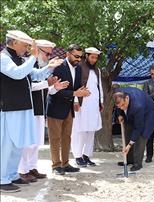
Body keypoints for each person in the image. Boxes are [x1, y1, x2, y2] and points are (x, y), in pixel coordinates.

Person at [0, 30, 62, 192]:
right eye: (25, 44)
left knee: (17, 144)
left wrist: (49, 67)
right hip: (8, 108)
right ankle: (2, 179)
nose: (28, 48)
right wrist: (34, 57)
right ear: (14, 43)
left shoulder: (20, 59)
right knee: (7, 145)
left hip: (22, 107)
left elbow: (35, 75)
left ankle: (12, 175)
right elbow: (17, 74)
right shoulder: (3, 58)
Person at [18, 40, 68, 182]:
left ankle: (32, 167)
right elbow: (29, 87)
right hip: (28, 109)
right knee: (27, 142)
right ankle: (22, 170)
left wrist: (56, 87)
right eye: (47, 53)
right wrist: (47, 83)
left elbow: (48, 90)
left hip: (40, 110)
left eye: (50, 54)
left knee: (36, 142)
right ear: (37, 50)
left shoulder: (44, 67)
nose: (49, 56)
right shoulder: (26, 64)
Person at [47, 44, 90, 175]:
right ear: (67, 54)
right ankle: (56, 166)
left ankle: (65, 164)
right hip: (55, 108)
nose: (79, 59)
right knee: (55, 138)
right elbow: (54, 90)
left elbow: (75, 88)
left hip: (69, 109)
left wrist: (80, 94)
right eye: (76, 56)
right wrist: (75, 94)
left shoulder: (78, 69)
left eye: (80, 57)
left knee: (67, 137)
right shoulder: (57, 67)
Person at [71, 47, 104, 167]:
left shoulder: (97, 70)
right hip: (82, 103)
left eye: (96, 57)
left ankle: (86, 155)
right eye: (92, 57)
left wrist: (101, 101)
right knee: (80, 130)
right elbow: (75, 85)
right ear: (86, 56)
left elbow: (99, 87)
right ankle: (78, 156)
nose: (94, 60)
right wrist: (75, 100)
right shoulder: (78, 67)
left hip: (94, 104)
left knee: (91, 130)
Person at [113, 87, 154, 171]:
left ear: (126, 98)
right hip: (132, 113)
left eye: (123, 105)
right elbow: (118, 107)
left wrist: (130, 144)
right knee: (128, 133)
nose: (122, 108)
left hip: (148, 115)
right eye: (120, 107)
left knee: (141, 137)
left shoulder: (138, 106)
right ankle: (129, 160)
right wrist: (119, 114)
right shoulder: (118, 94)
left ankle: (137, 163)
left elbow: (138, 127)